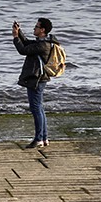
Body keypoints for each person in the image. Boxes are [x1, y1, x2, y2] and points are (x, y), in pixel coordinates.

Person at [12, 17, 59, 148]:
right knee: (39, 108)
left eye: (36, 27)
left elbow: (23, 50)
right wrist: (19, 32)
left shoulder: (43, 45)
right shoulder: (43, 42)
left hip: (37, 79)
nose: (34, 28)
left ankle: (39, 138)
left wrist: (16, 37)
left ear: (42, 30)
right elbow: (27, 43)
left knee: (36, 108)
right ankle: (44, 138)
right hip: (39, 78)